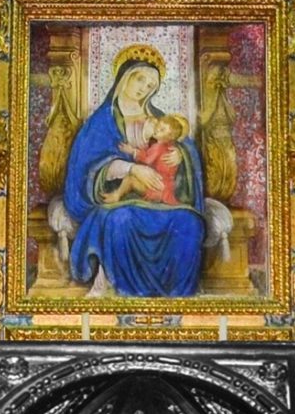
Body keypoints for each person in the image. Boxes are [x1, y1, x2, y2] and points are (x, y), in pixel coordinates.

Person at [64, 45, 206, 297]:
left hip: (162, 197)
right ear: (125, 77)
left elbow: (186, 149)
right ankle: (124, 293)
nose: (144, 88)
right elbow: (85, 166)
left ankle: (177, 297)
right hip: (122, 201)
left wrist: (181, 156)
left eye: (151, 86)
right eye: (140, 79)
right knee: (119, 221)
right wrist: (132, 168)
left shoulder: (161, 119)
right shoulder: (103, 121)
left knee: (189, 223)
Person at [101, 114, 190, 206]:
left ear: (170, 137)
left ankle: (116, 195)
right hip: (165, 188)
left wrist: (133, 151)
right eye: (158, 126)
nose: (157, 129)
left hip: (156, 186)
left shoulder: (158, 147)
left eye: (162, 130)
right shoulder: (170, 147)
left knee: (130, 179)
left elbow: (147, 160)